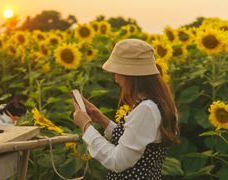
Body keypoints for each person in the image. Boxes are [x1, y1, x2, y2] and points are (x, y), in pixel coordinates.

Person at [72, 39, 180, 179]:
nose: (116, 78)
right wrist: (102, 120)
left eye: (118, 71)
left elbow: (117, 161)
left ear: (131, 75)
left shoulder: (146, 109)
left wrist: (86, 126)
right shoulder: (155, 103)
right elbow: (135, 140)